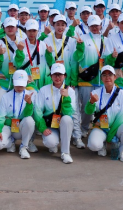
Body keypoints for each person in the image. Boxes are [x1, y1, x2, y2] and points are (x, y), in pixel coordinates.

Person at [42, 15, 85, 149]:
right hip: (53, 80)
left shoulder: (71, 41)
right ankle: (53, 136)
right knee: (53, 108)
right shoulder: (47, 40)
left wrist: (80, 47)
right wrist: (49, 54)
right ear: (53, 25)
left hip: (67, 81)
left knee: (73, 110)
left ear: (66, 26)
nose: (60, 27)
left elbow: (75, 60)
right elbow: (47, 63)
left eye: (63, 24)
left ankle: (77, 137)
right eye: (57, 24)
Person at [73, 15, 113, 138]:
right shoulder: (82, 38)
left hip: (102, 79)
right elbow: (76, 58)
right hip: (86, 80)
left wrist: (113, 57)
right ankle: (84, 128)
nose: (95, 28)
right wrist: (79, 48)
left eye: (97, 25)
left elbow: (108, 60)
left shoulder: (106, 40)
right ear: (88, 26)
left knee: (103, 106)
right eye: (92, 25)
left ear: (101, 26)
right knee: (86, 106)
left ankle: (101, 129)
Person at [85, 66, 123, 163]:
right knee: (93, 145)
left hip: (117, 127)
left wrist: (110, 136)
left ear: (115, 77)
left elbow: (121, 117)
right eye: (104, 75)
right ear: (101, 78)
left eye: (110, 75)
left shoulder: (122, 94)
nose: (107, 77)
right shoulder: (95, 93)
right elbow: (88, 112)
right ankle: (102, 145)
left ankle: (121, 152)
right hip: (101, 127)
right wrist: (91, 102)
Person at [33, 63, 77, 164]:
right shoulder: (44, 90)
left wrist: (66, 98)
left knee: (67, 119)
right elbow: (38, 111)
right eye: (55, 74)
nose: (57, 77)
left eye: (60, 74)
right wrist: (43, 128)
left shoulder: (70, 91)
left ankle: (65, 152)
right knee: (50, 142)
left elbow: (70, 112)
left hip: (64, 123)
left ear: (64, 75)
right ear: (51, 76)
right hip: (50, 124)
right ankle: (54, 143)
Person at [0, 70, 37, 159]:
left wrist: (29, 103)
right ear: (13, 82)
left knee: (29, 120)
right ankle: (10, 143)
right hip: (8, 126)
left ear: (26, 83)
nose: (19, 87)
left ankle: (24, 147)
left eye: (22, 84)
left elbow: (28, 114)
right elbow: (0, 117)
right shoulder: (5, 96)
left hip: (21, 127)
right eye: (17, 84)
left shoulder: (30, 95)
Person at [0, 17, 26, 109]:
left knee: (18, 106)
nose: (10, 29)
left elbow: (22, 63)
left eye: (12, 26)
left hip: (19, 81)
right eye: (8, 27)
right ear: (4, 28)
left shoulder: (23, 42)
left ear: (16, 28)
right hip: (2, 80)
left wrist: (20, 51)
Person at [22, 19, 50, 91]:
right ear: (25, 31)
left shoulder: (43, 44)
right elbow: (16, 64)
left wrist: (49, 54)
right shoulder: (21, 45)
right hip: (28, 82)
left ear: (38, 31)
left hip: (42, 80)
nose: (32, 33)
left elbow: (49, 63)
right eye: (29, 30)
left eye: (34, 31)